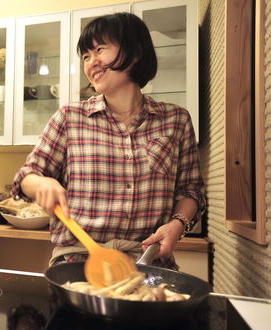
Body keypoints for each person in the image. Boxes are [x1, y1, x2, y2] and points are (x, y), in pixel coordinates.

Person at [12, 13, 206, 269]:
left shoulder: (175, 120)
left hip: (149, 262)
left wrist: (178, 224)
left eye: (100, 50)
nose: (92, 62)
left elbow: (191, 190)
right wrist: (41, 183)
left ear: (135, 52)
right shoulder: (70, 118)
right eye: (86, 56)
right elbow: (26, 176)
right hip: (78, 260)